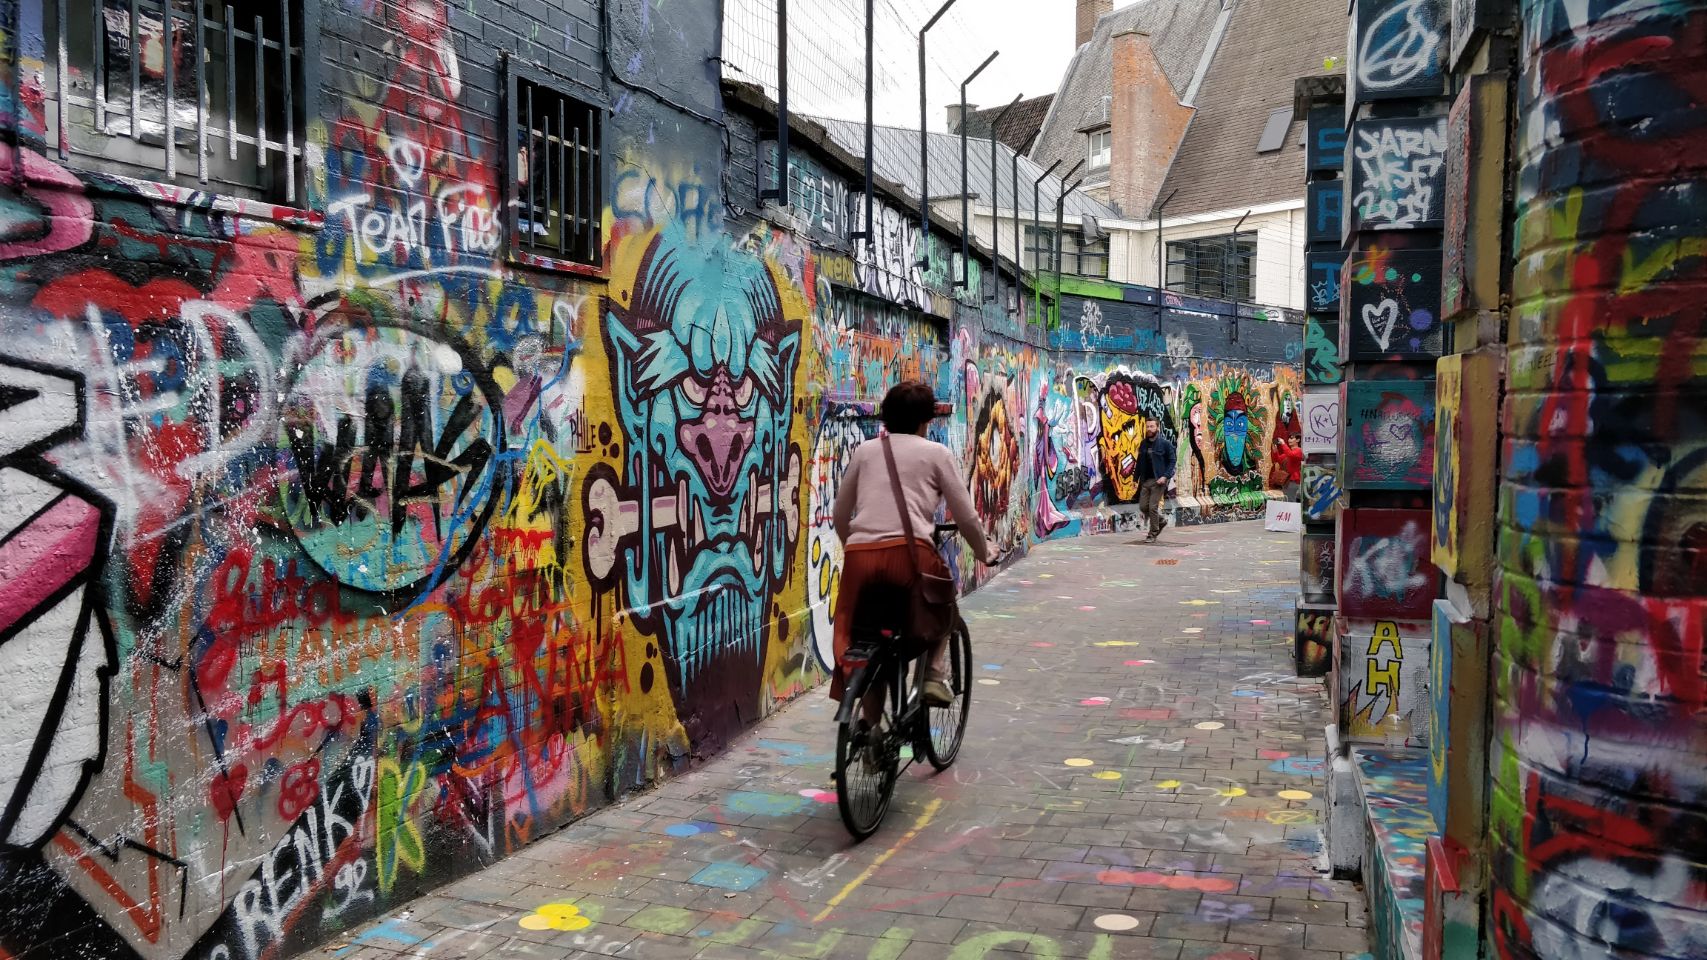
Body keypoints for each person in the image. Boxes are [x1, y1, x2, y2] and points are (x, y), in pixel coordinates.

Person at [832, 380, 992, 710]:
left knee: (863, 635)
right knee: (945, 603)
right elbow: (966, 518)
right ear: (926, 420)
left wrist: (857, 548)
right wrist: (983, 551)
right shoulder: (936, 454)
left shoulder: (865, 452)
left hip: (859, 557)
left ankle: (868, 727)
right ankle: (934, 672)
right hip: (909, 556)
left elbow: (840, 514)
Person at [1136, 419, 1175, 542]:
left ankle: (1152, 533)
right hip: (1146, 480)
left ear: (1157, 428)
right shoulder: (1143, 444)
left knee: (1152, 507)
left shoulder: (1165, 444)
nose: (1149, 429)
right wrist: (1135, 478)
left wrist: (1165, 476)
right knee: (1143, 507)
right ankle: (1161, 521)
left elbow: (1172, 461)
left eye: (1152, 426)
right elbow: (1139, 462)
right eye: (1147, 426)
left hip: (1159, 480)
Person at [1281, 437, 1304, 502]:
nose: (1289, 440)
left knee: (1290, 500)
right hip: (1286, 480)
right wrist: (1275, 450)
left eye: (1291, 438)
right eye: (1288, 438)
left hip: (1293, 479)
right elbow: (1278, 459)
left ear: (1298, 440)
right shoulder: (1288, 451)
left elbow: (1291, 455)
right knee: (1287, 499)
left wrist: (1283, 443)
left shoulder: (1299, 450)